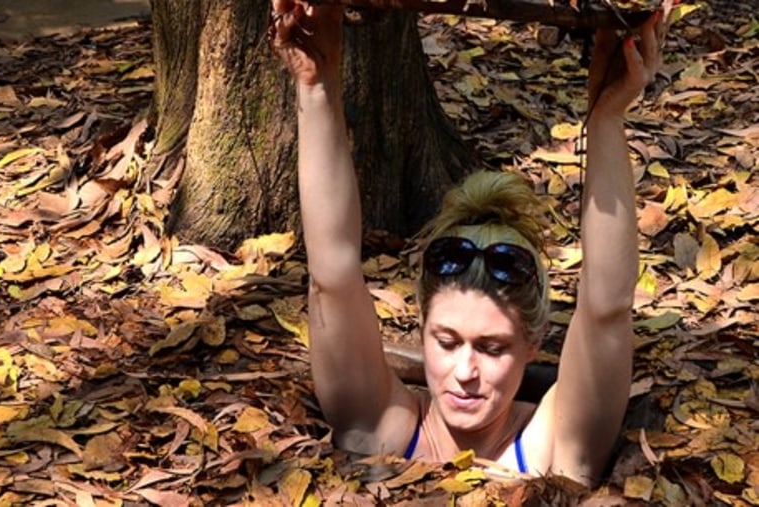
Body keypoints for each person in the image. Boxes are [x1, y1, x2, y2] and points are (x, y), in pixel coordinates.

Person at [270, 1, 666, 487]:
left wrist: (606, 119)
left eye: (493, 347)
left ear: (533, 343)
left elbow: (607, 307)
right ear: (421, 327)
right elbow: (332, 275)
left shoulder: (550, 447)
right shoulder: (384, 426)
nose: (465, 372)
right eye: (446, 341)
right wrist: (315, 86)